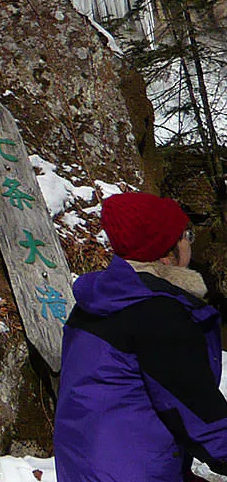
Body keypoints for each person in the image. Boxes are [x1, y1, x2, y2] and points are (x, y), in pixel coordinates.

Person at [56, 192, 227, 481]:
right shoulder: (159, 314)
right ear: (165, 251)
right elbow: (198, 413)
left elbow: (125, 395)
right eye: (185, 235)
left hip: (87, 466)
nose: (189, 243)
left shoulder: (101, 300)